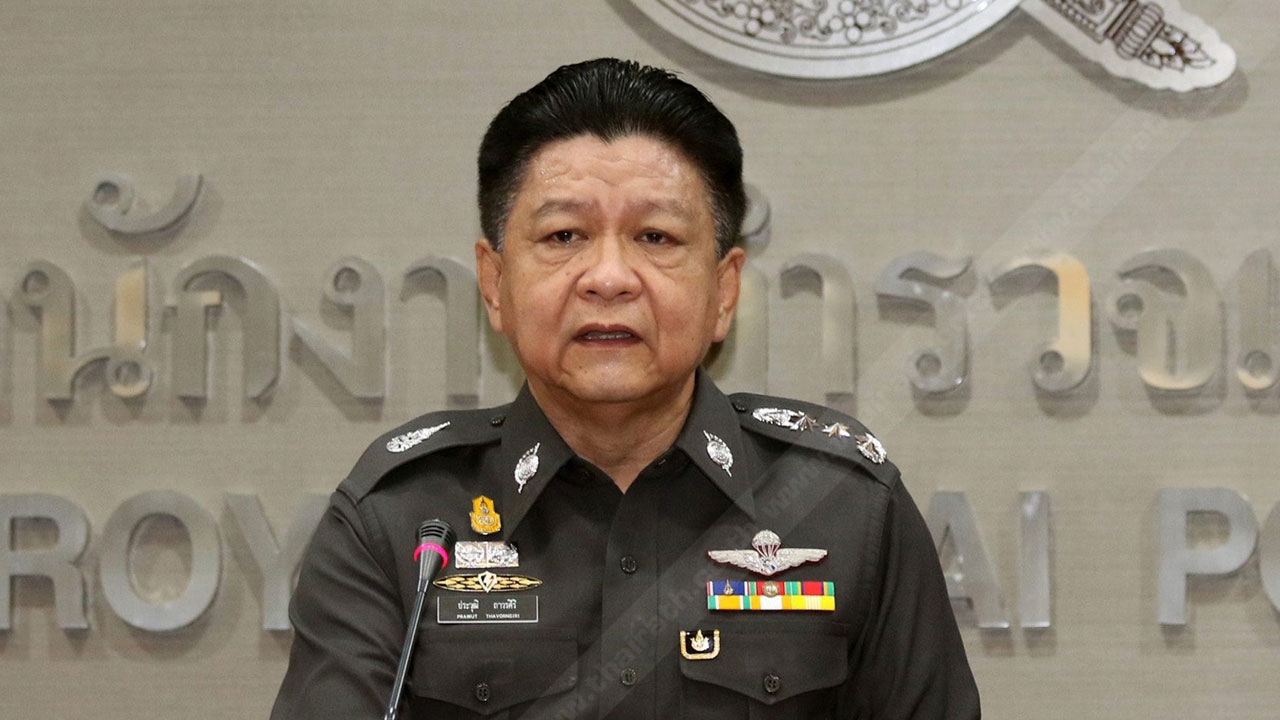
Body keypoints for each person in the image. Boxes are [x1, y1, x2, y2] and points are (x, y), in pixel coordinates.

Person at [271, 58, 979, 720]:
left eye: (656, 238)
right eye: (564, 236)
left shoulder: (845, 508)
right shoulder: (398, 521)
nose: (608, 278)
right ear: (494, 283)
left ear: (724, 291)